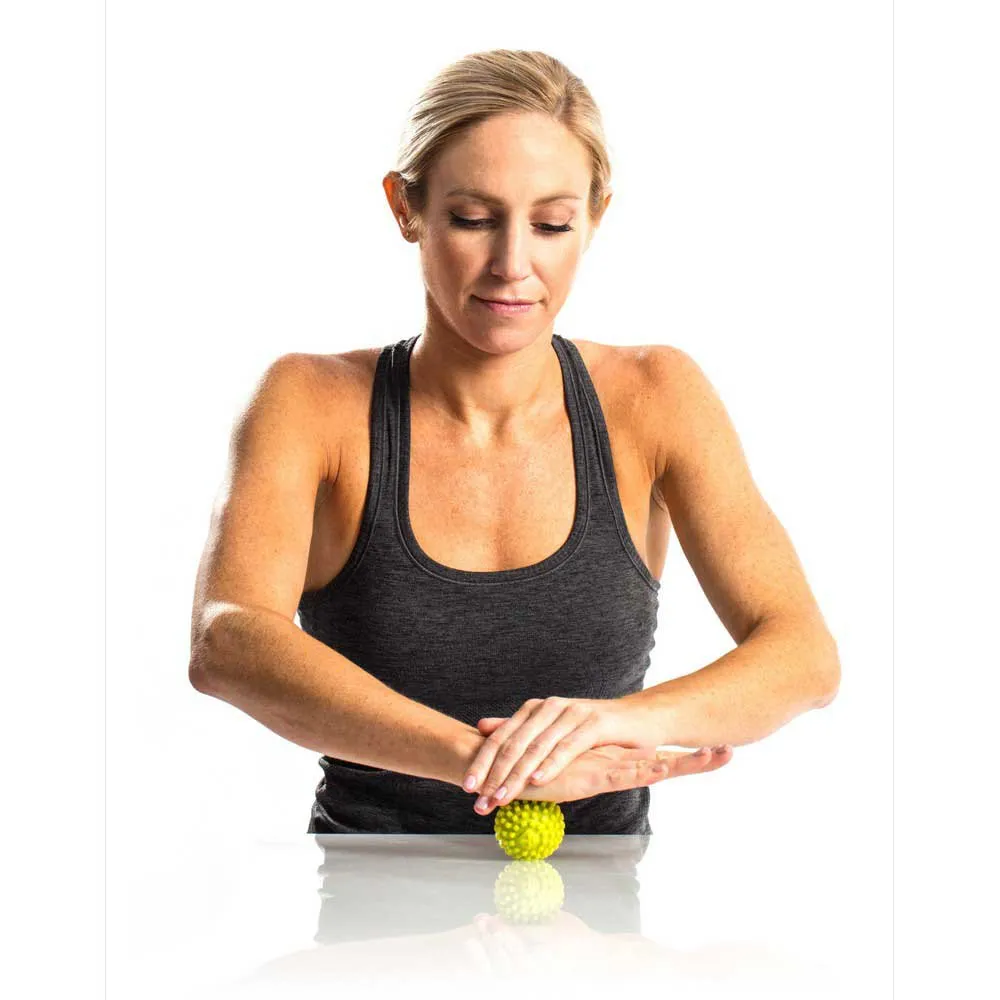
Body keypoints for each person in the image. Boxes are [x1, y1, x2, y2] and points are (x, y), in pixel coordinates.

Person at [187, 49, 839, 835]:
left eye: (552, 224)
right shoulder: (308, 402)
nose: (512, 265)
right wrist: (492, 762)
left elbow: (803, 654)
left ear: (594, 218)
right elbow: (228, 637)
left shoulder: (657, 395)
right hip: (367, 889)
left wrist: (610, 724)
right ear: (405, 208)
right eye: (472, 218)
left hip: (601, 901)